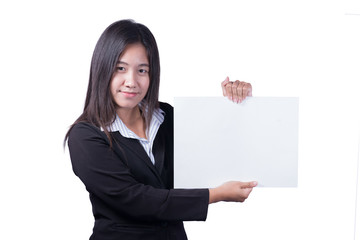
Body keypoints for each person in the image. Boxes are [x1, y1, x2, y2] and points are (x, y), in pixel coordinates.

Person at [65, 19, 257, 240]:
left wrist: (237, 106)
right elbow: (135, 199)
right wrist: (215, 195)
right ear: (102, 69)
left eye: (142, 70)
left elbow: (216, 153)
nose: (131, 81)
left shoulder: (167, 117)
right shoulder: (86, 136)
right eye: (120, 68)